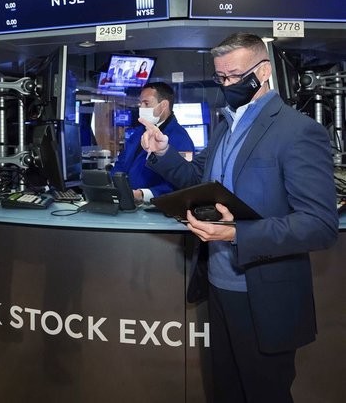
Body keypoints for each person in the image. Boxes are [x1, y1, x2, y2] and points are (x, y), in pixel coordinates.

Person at [141, 32, 339, 402]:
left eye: (235, 76)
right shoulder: (225, 126)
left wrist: (235, 234)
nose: (228, 84)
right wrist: (164, 152)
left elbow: (320, 225)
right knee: (227, 391)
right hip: (218, 286)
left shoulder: (298, 131)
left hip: (264, 295)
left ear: (263, 71)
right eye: (221, 77)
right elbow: (196, 179)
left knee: (264, 393)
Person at [111, 82, 194, 204]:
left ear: (164, 105)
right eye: (140, 104)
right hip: (127, 203)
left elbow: (182, 181)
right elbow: (121, 163)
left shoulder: (180, 138)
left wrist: (143, 194)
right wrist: (112, 184)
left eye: (146, 103)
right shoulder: (138, 133)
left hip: (156, 207)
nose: (141, 108)